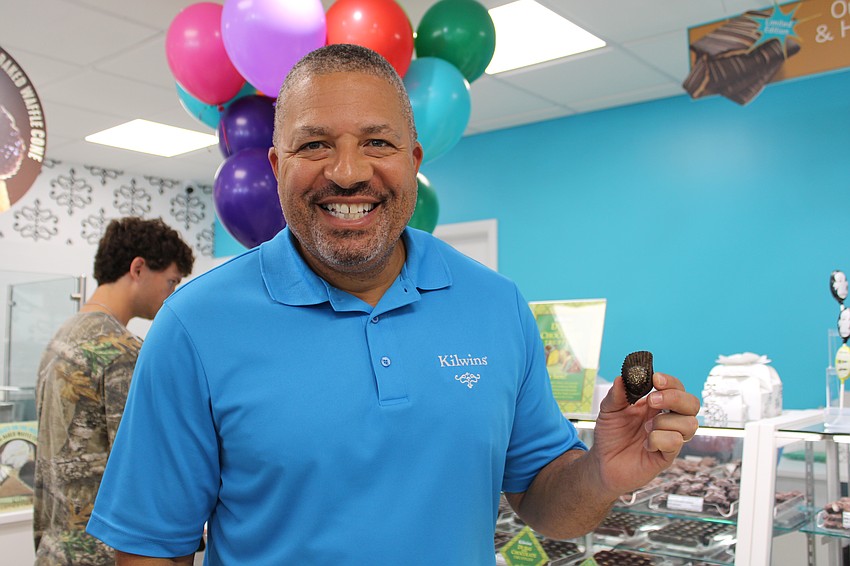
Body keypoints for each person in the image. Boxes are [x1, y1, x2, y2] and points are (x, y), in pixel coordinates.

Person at [87, 44, 700, 565]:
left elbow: (544, 498)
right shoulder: (194, 325)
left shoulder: (496, 304)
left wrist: (602, 474)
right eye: (315, 145)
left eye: (377, 142)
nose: (348, 172)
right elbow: (148, 546)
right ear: (277, 167)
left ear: (413, 163)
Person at [34, 217, 194, 565]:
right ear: (138, 268)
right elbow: (147, 474)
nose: (173, 293)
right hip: (103, 553)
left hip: (55, 549)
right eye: (171, 281)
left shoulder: (62, 337)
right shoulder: (120, 351)